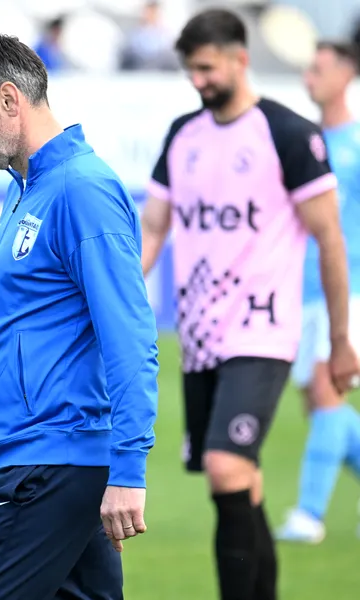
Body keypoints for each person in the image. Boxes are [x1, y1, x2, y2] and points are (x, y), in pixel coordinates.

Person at [0, 32, 159, 600]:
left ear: (8, 99)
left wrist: (129, 469)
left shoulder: (83, 190)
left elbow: (129, 336)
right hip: (49, 462)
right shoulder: (28, 186)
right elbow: (22, 309)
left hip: (46, 465)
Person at [140, 9, 360, 600]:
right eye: (191, 70)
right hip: (200, 337)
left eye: (207, 68)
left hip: (264, 331)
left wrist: (341, 340)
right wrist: (123, 296)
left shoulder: (288, 134)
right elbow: (154, 227)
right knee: (240, 483)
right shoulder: (183, 136)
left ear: (240, 59)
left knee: (225, 466)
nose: (199, 81)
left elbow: (330, 240)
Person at [276, 40, 360, 544]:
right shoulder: (305, 140)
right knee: (320, 403)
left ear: (347, 74)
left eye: (320, 69)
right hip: (300, 287)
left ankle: (309, 516)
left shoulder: (355, 144)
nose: (310, 78)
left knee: (329, 391)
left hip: (346, 288)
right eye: (308, 69)